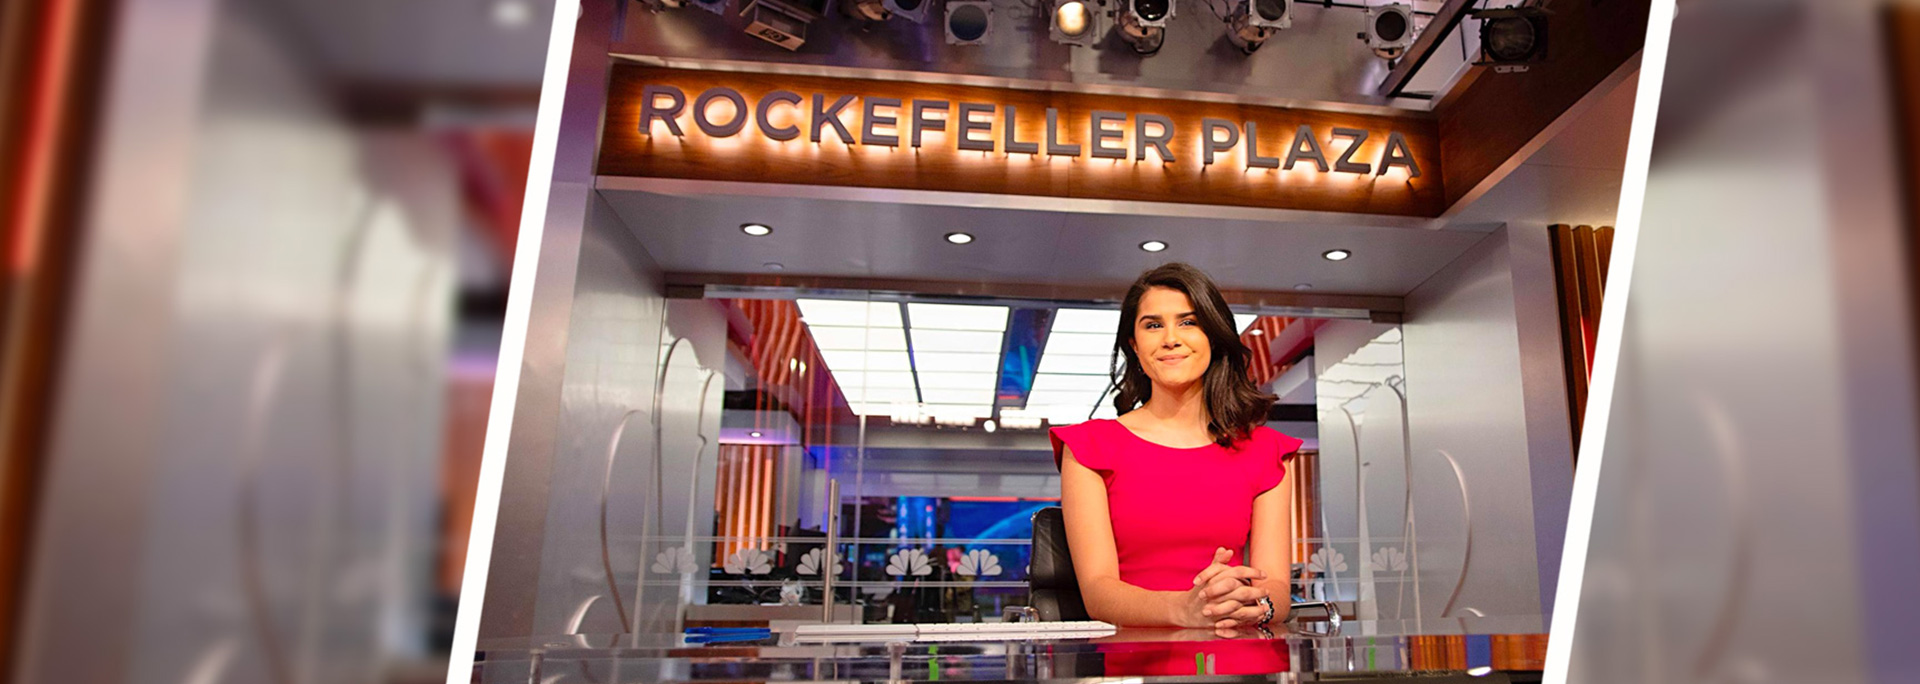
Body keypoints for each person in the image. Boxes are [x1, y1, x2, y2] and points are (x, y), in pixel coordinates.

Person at [1050, 262, 1303, 630]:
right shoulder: (1088, 446)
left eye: (1188, 322)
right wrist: (1184, 609)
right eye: (1153, 325)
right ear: (1134, 345)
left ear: (1213, 337)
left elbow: (1276, 586)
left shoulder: (1268, 451)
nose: (1171, 338)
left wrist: (1258, 606)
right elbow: (1098, 592)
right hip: (1131, 664)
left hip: (1235, 655)